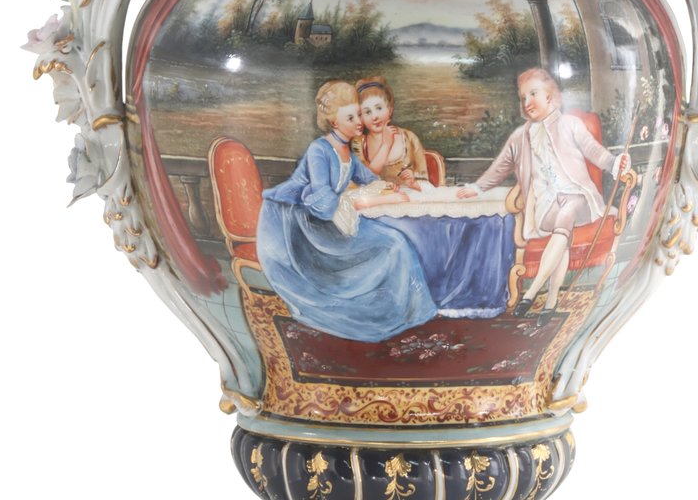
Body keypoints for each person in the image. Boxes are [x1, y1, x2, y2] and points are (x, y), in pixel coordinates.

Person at [257, 80, 437, 342]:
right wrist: (364, 201)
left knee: (396, 242)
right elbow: (323, 203)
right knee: (391, 244)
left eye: (358, 115)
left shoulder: (347, 153)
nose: (360, 122)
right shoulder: (319, 150)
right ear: (335, 122)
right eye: (351, 117)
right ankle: (370, 312)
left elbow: (369, 179)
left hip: (328, 219)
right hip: (297, 226)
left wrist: (389, 187)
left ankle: (401, 311)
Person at [458, 67, 631, 311]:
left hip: (580, 200)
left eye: (533, 94)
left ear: (549, 96)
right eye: (523, 97)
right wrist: (477, 187)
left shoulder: (570, 124)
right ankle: (550, 302)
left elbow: (594, 152)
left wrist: (615, 163)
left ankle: (531, 293)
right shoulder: (521, 136)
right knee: (562, 229)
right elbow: (500, 167)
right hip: (546, 206)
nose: (527, 102)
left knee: (567, 214)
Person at [356, 77, 429, 189]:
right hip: (376, 196)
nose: (375, 117)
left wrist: (413, 177)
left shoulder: (409, 138)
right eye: (367, 112)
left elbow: (425, 181)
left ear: (389, 110)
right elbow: (363, 180)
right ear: (360, 117)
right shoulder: (358, 144)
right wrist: (386, 144)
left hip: (410, 195)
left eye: (379, 108)